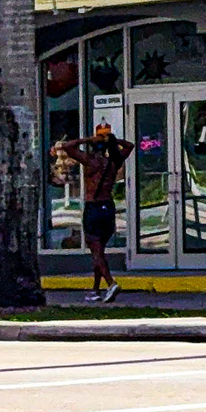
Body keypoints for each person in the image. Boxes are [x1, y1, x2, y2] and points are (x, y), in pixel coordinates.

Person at [56, 120, 136, 302]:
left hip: (93, 208)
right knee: (99, 251)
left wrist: (87, 139)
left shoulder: (90, 161)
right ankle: (95, 290)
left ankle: (111, 283)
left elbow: (66, 146)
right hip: (108, 208)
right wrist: (113, 140)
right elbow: (130, 146)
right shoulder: (114, 161)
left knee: (97, 252)